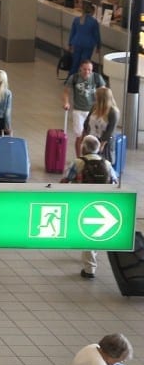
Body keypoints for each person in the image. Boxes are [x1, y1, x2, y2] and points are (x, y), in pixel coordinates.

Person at [62, 135, 118, 278]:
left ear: (83, 148)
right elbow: (115, 181)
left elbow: (65, 180)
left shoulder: (78, 162)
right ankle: (89, 258)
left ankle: (89, 269)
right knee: (92, 231)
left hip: (82, 201)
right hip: (101, 202)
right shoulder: (107, 163)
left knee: (87, 234)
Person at [63, 59, 106, 159]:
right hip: (78, 111)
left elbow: (104, 93)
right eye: (85, 69)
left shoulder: (97, 78)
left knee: (93, 136)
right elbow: (66, 92)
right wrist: (66, 102)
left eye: (89, 70)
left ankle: (92, 157)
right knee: (79, 136)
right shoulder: (74, 78)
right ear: (80, 69)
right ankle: (79, 158)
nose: (87, 72)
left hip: (94, 111)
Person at [81, 86, 119, 166]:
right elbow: (87, 122)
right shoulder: (94, 107)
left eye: (96, 97)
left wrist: (102, 145)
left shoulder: (113, 112)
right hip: (91, 139)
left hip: (104, 144)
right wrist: (84, 135)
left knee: (102, 165)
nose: (95, 98)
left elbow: (110, 131)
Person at [68, 2, 102, 78]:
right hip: (88, 45)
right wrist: (98, 46)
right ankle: (82, 79)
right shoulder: (94, 22)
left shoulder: (76, 19)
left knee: (75, 62)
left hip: (76, 43)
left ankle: (71, 79)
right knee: (84, 64)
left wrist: (70, 44)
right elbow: (97, 35)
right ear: (92, 11)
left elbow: (72, 32)